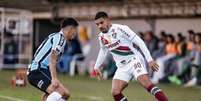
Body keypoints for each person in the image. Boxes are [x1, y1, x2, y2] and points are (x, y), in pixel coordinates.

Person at [93, 11, 168, 101]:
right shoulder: (101, 37)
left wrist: (149, 59)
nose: (100, 26)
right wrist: (96, 66)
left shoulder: (121, 29)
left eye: (101, 23)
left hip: (134, 60)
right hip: (121, 66)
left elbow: (140, 42)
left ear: (108, 20)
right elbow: (103, 50)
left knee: (146, 84)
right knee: (115, 91)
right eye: (97, 24)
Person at [27, 18, 79, 101]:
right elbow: (52, 58)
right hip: (38, 70)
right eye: (75, 30)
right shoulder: (60, 39)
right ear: (70, 28)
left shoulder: (56, 36)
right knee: (59, 93)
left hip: (40, 70)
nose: (75, 33)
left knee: (65, 94)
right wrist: (54, 78)